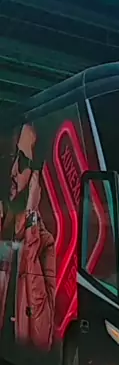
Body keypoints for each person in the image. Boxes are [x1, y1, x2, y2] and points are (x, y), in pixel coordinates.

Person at [0, 124, 56, 351]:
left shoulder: (44, 243)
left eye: (22, 162)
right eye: (13, 158)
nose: (13, 170)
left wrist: (32, 218)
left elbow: (42, 336)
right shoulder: (4, 225)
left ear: (35, 176)